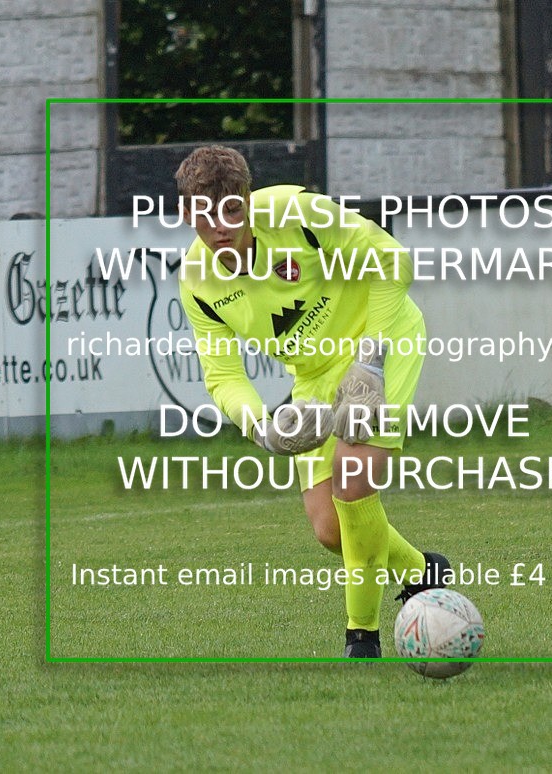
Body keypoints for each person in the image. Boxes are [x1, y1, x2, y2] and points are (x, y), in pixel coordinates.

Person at [174, 145, 448, 657]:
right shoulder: (197, 283)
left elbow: (392, 259)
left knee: (351, 484)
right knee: (327, 529)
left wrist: (371, 360)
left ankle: (361, 638)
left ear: (248, 201)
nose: (221, 227)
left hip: (383, 340)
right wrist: (262, 428)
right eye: (205, 216)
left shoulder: (297, 214)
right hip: (314, 376)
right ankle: (421, 572)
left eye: (232, 209)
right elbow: (223, 375)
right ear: (187, 215)